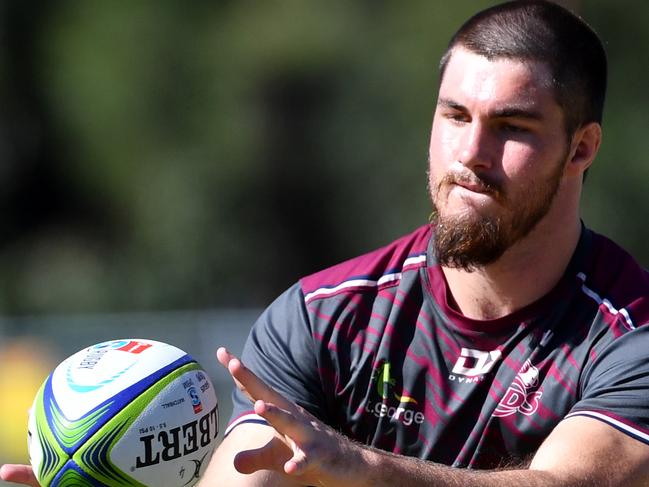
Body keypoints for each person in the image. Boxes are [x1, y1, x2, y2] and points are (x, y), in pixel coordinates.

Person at [2, 1, 649, 486]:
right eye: (454, 115)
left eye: (510, 126)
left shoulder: (630, 334)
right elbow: (249, 473)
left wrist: (361, 466)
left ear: (581, 147)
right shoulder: (321, 316)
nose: (470, 154)